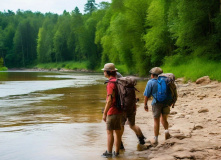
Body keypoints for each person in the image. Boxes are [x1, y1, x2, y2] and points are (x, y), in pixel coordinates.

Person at [116, 73, 146, 150]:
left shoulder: (118, 85)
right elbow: (133, 97)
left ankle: (120, 145)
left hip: (123, 109)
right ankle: (141, 139)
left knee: (120, 126)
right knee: (132, 125)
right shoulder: (129, 85)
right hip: (132, 108)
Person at [143, 67, 171, 146]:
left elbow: (146, 95)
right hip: (166, 102)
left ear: (152, 75)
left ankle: (156, 138)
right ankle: (166, 131)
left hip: (156, 103)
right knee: (164, 118)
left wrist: (145, 104)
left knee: (156, 120)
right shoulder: (166, 80)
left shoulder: (150, 82)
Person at [101, 63, 122, 158]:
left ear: (108, 72)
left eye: (104, 71)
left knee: (109, 133)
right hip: (120, 110)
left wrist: (104, 113)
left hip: (112, 111)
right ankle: (117, 153)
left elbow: (109, 100)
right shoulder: (118, 81)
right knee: (118, 133)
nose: (103, 72)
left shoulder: (110, 83)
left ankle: (109, 152)